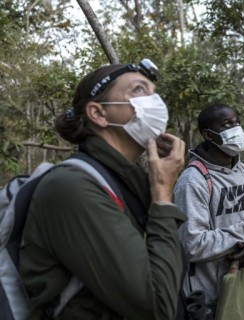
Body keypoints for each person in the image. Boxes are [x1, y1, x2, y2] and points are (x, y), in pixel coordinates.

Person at [19, 59, 187, 320]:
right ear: (98, 113)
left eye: (154, 93)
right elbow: (156, 305)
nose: (155, 102)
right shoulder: (71, 187)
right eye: (139, 90)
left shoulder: (127, 181)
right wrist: (163, 196)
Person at [173, 103, 244, 314]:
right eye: (227, 125)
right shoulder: (193, 181)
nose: (236, 129)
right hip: (204, 296)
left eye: (237, 122)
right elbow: (192, 244)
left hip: (240, 289)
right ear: (208, 135)